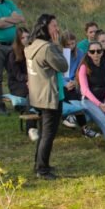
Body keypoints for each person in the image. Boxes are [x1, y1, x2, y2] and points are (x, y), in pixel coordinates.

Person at [25, 13, 68, 180]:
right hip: (50, 96)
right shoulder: (47, 48)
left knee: (43, 133)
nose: (58, 29)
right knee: (48, 135)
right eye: (54, 26)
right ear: (45, 28)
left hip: (39, 95)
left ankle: (39, 164)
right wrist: (57, 46)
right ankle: (42, 169)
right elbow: (63, 66)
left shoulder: (32, 45)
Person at [7, 26, 39, 141]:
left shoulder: (33, 51)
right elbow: (18, 75)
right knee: (31, 93)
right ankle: (31, 127)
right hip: (17, 83)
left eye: (27, 37)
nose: (26, 39)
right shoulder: (13, 54)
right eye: (22, 38)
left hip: (32, 80)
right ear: (18, 40)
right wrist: (30, 79)